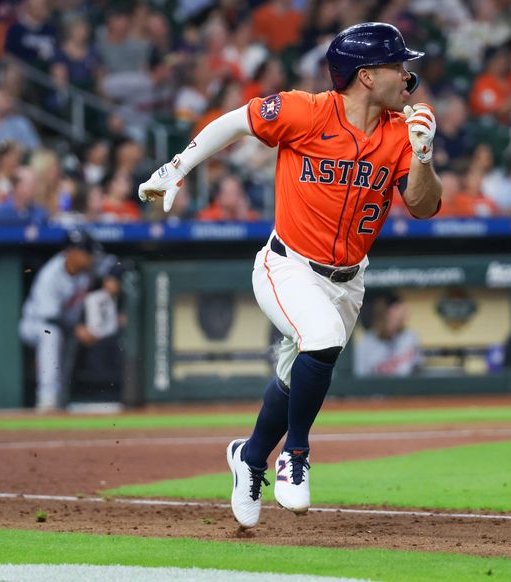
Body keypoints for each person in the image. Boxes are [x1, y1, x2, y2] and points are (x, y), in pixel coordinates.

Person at [137, 22, 442, 528]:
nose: (407, 77)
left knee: (292, 378)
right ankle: (295, 455)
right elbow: (234, 123)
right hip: (287, 264)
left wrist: (425, 153)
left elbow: (423, 205)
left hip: (348, 279)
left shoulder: (399, 132)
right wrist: (177, 168)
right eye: (398, 66)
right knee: (319, 340)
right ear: (366, 76)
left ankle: (250, 456)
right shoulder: (307, 110)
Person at [19, 229, 107, 411]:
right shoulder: (50, 276)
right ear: (71, 253)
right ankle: (47, 399)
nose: (90, 257)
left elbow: (114, 266)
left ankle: (63, 400)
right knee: (51, 335)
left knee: (65, 338)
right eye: (86, 253)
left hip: (68, 326)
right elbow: (49, 317)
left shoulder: (86, 272)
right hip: (36, 325)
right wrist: (78, 329)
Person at [353, 291, 423, 377]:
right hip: (377, 389)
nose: (404, 311)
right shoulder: (366, 343)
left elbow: (417, 369)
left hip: (405, 389)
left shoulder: (410, 337)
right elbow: (360, 378)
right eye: (397, 307)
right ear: (387, 311)